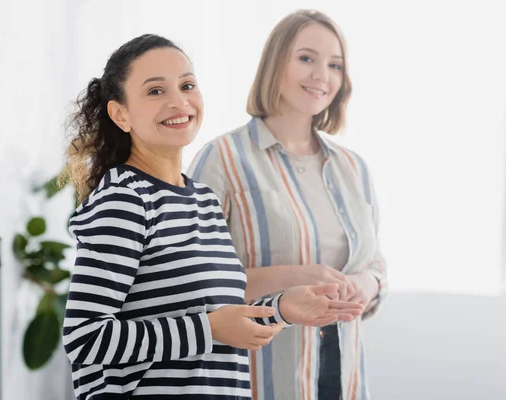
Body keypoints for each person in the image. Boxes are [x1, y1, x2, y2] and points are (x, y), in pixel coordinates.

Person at [60, 33, 364, 400]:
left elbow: (220, 321)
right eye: (156, 91)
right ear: (120, 113)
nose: (179, 101)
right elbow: (84, 339)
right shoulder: (125, 200)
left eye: (187, 85)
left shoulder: (202, 199)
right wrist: (208, 329)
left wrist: (282, 308)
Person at [187, 10, 388, 400]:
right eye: (306, 58)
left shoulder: (352, 168)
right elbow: (193, 283)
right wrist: (298, 276)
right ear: (275, 62)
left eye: (335, 65)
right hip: (256, 382)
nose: (321, 76)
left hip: (343, 382)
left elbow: (375, 262)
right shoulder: (222, 159)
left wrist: (366, 284)